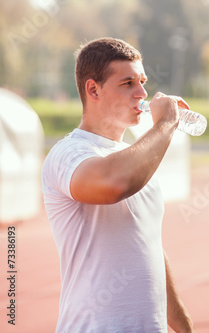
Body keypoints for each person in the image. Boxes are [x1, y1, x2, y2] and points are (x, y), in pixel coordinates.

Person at [41, 37, 195, 332]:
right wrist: (164, 124)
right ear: (93, 89)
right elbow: (114, 185)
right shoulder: (68, 154)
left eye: (142, 81)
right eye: (127, 83)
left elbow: (148, 244)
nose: (142, 93)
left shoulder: (132, 157)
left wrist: (184, 326)